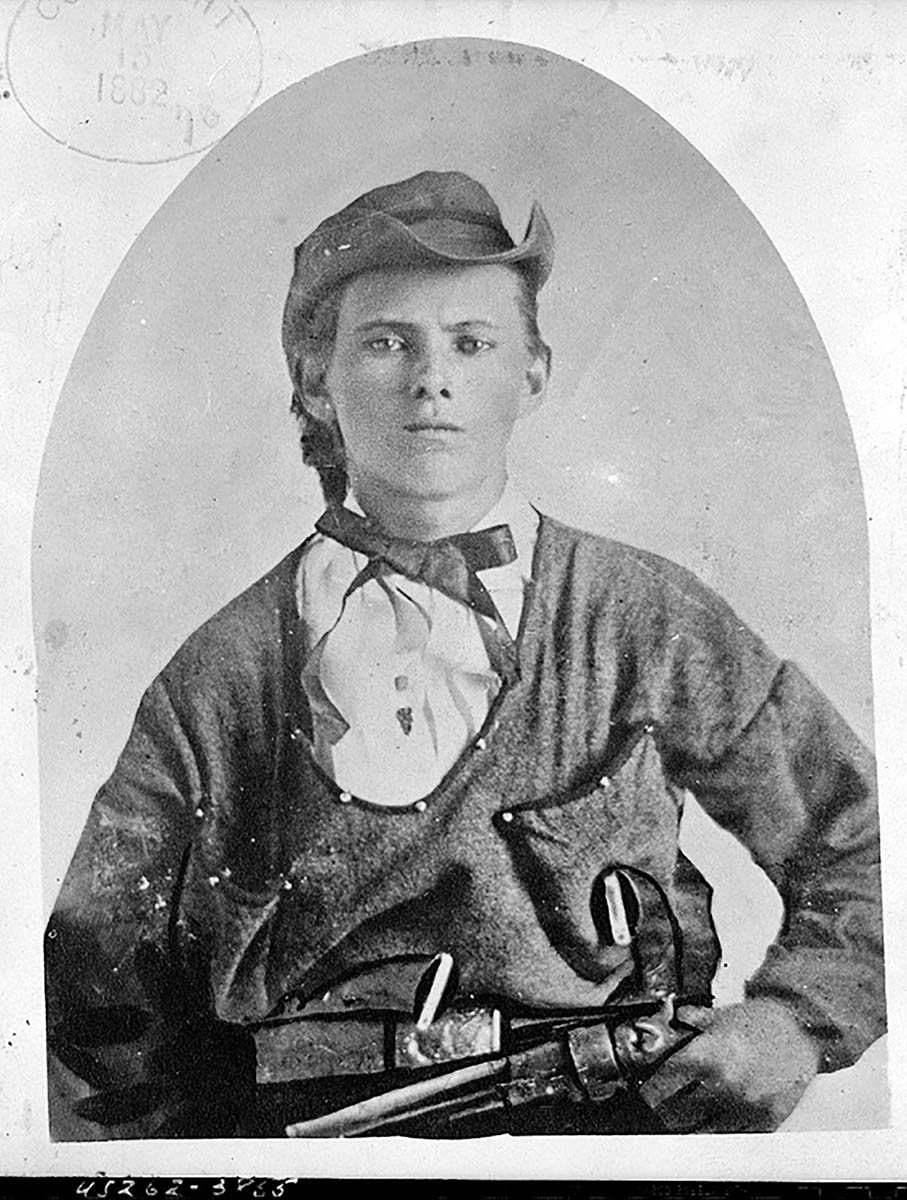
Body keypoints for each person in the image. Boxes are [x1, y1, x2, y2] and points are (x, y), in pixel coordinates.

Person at [44, 170, 885, 1141]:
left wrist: (792, 1022)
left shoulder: (642, 617)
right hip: (311, 1144)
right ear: (316, 382)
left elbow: (863, 844)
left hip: (599, 1139)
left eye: (471, 343)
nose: (429, 379)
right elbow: (95, 973)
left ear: (531, 373)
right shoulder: (221, 673)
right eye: (385, 341)